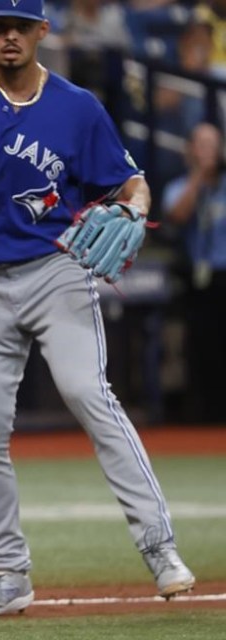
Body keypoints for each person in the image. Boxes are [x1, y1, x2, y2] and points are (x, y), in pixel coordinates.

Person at [0, 0, 195, 618]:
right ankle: (7, 576)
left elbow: (131, 183)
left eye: (21, 27)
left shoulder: (77, 107)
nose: (9, 37)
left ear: (41, 32)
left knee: (89, 395)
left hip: (57, 271)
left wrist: (135, 209)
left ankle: (160, 548)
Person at [161, 122, 226, 424]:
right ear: (190, 150)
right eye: (202, 145)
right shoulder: (178, 186)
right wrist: (200, 177)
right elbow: (177, 216)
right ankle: (208, 417)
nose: (208, 151)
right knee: (205, 347)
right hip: (201, 278)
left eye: (213, 144)